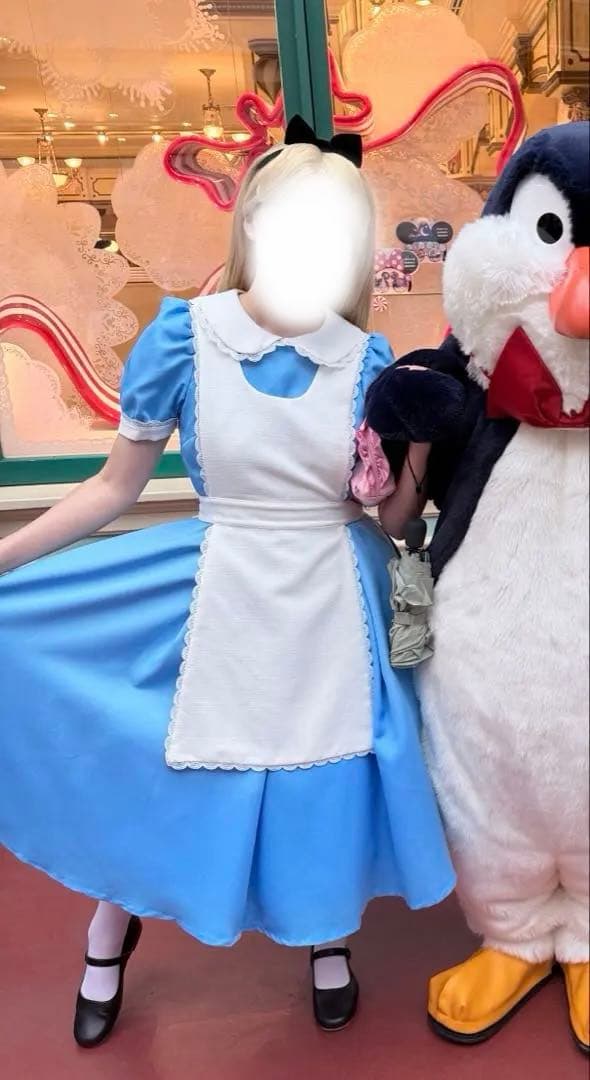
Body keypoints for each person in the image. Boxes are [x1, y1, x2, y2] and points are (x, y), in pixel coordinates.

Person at [0, 116, 454, 1047]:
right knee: (156, 760)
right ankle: (108, 931)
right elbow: (114, 486)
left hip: (335, 588)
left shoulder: (365, 358)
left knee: (328, 770)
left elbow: (387, 520)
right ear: (251, 222)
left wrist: (421, 451)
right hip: (216, 582)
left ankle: (327, 936)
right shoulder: (184, 336)